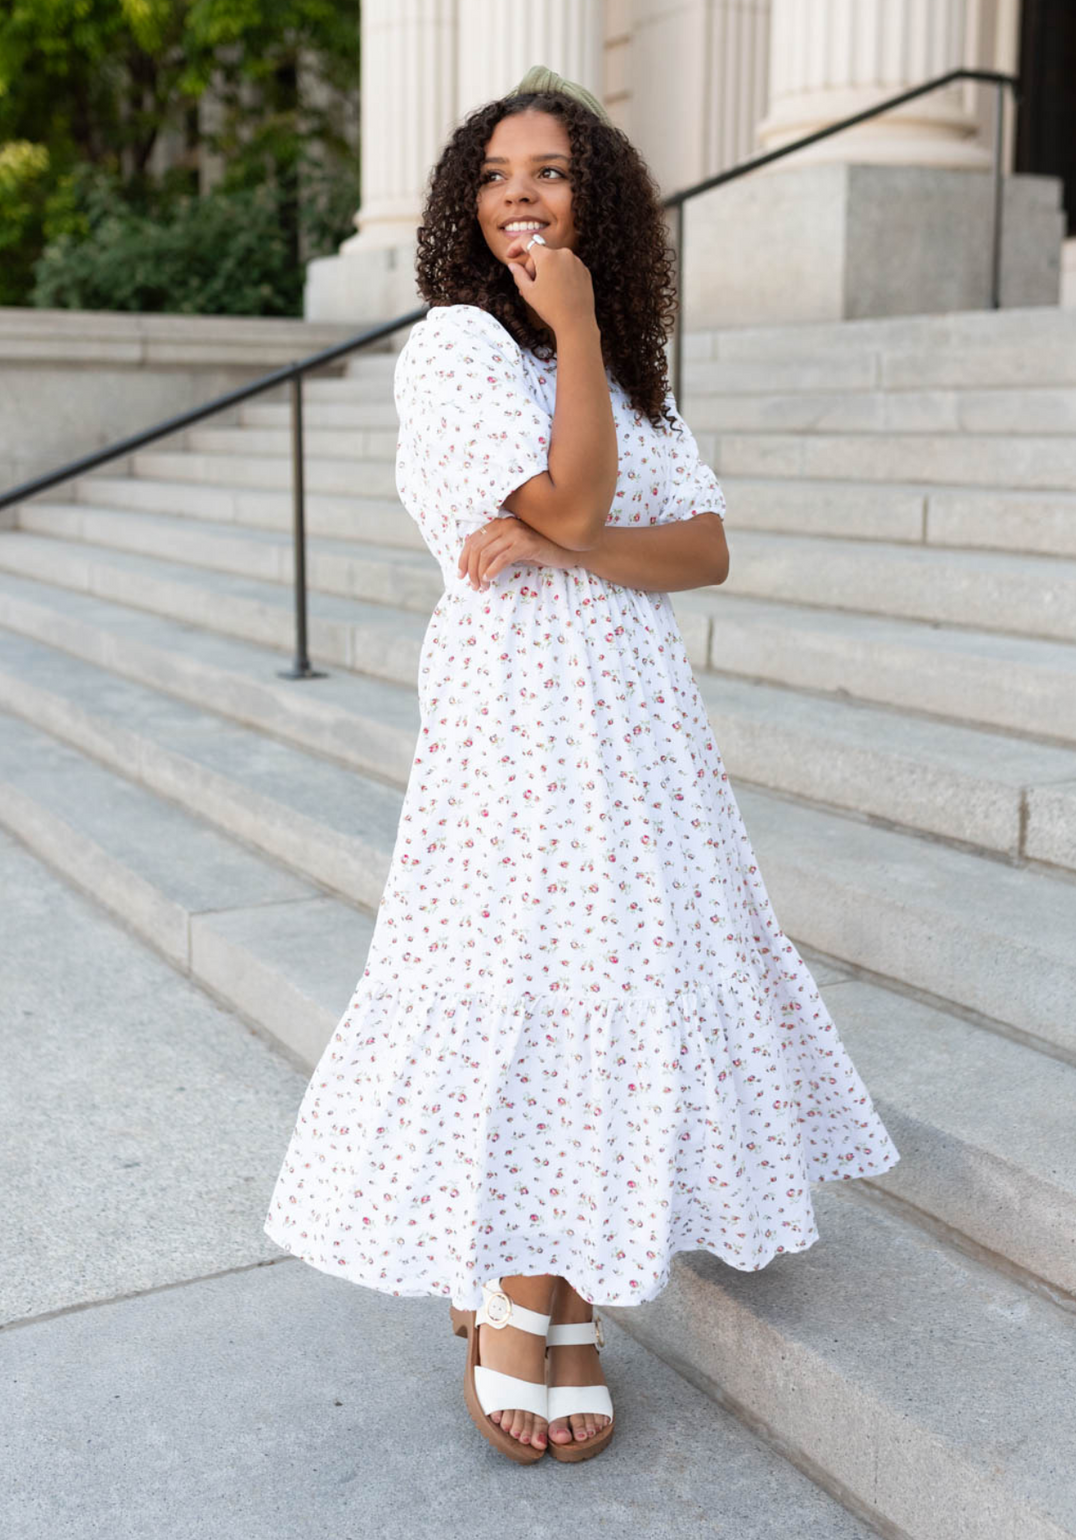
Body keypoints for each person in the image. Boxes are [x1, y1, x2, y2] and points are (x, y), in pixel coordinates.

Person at [263, 64, 901, 1467]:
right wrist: (573, 500)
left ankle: (536, 1279)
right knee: (534, 968)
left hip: (639, 724)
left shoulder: (618, 371)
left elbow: (700, 548)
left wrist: (572, 516)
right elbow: (579, 494)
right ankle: (514, 1280)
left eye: (547, 173)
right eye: (495, 177)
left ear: (594, 193)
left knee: (624, 966)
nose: (518, 198)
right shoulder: (457, 352)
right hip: (517, 712)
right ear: (464, 204)